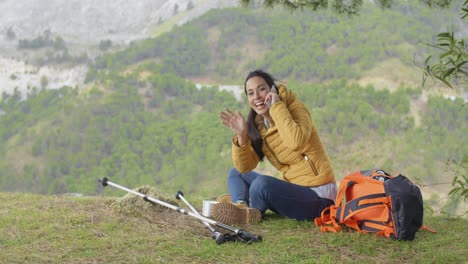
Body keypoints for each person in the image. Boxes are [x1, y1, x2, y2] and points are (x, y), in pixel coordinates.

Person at [211, 69, 336, 225]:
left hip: (320, 197)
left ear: (272, 89)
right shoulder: (259, 126)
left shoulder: (296, 109)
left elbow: (296, 141)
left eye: (261, 89)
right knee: (236, 173)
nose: (256, 97)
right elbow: (244, 167)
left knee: (261, 185)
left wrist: (276, 106)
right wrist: (242, 136)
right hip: (295, 190)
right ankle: (241, 206)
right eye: (250, 93)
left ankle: (249, 208)